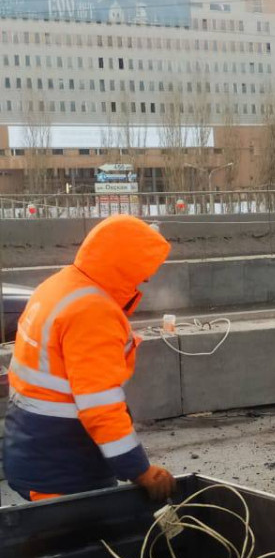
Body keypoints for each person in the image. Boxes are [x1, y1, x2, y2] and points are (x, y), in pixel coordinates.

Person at [4, 215, 176, 502]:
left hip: (32, 446)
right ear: (124, 264)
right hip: (64, 464)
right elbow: (100, 406)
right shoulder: (92, 311)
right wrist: (140, 471)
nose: (145, 279)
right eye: (143, 271)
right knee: (83, 539)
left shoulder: (59, 286)